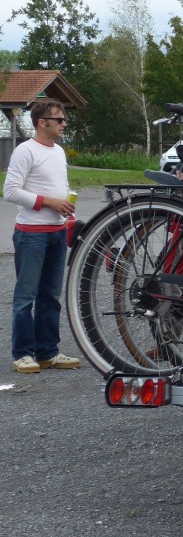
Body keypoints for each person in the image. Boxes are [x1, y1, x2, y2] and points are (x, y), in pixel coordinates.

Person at [4, 99, 81, 373]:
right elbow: (10, 191)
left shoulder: (59, 152)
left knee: (51, 295)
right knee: (26, 296)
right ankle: (22, 353)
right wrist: (49, 202)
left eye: (64, 119)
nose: (64, 123)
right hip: (31, 234)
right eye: (58, 119)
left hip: (57, 232)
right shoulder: (25, 151)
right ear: (42, 122)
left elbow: (60, 185)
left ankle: (48, 351)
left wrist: (66, 208)